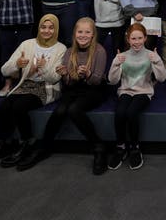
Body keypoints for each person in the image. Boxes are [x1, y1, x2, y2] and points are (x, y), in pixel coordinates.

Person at [17, 17, 109, 175]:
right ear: (75, 34)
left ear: (93, 34)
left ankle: (99, 146)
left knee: (74, 110)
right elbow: (69, 83)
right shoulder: (69, 51)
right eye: (80, 32)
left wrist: (87, 74)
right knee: (59, 111)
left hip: (94, 90)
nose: (83, 35)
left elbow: (96, 81)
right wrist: (66, 75)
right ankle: (44, 147)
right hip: (74, 89)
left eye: (87, 32)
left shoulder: (99, 51)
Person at [0, 14, 66, 169]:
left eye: (51, 28)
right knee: (3, 107)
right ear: (38, 28)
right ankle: (2, 143)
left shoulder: (61, 48)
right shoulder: (27, 44)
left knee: (19, 107)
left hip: (46, 88)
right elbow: (5, 70)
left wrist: (42, 67)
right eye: (43, 27)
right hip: (25, 85)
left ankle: (27, 142)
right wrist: (17, 64)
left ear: (56, 29)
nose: (46, 31)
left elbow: (54, 79)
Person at [107, 23, 166, 170]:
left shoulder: (150, 55)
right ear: (128, 39)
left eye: (140, 38)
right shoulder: (123, 56)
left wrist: (157, 61)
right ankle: (120, 147)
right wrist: (115, 63)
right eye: (133, 38)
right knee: (120, 112)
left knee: (132, 112)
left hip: (143, 91)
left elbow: (162, 78)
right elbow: (113, 81)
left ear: (145, 38)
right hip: (126, 90)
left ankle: (135, 147)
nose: (137, 42)